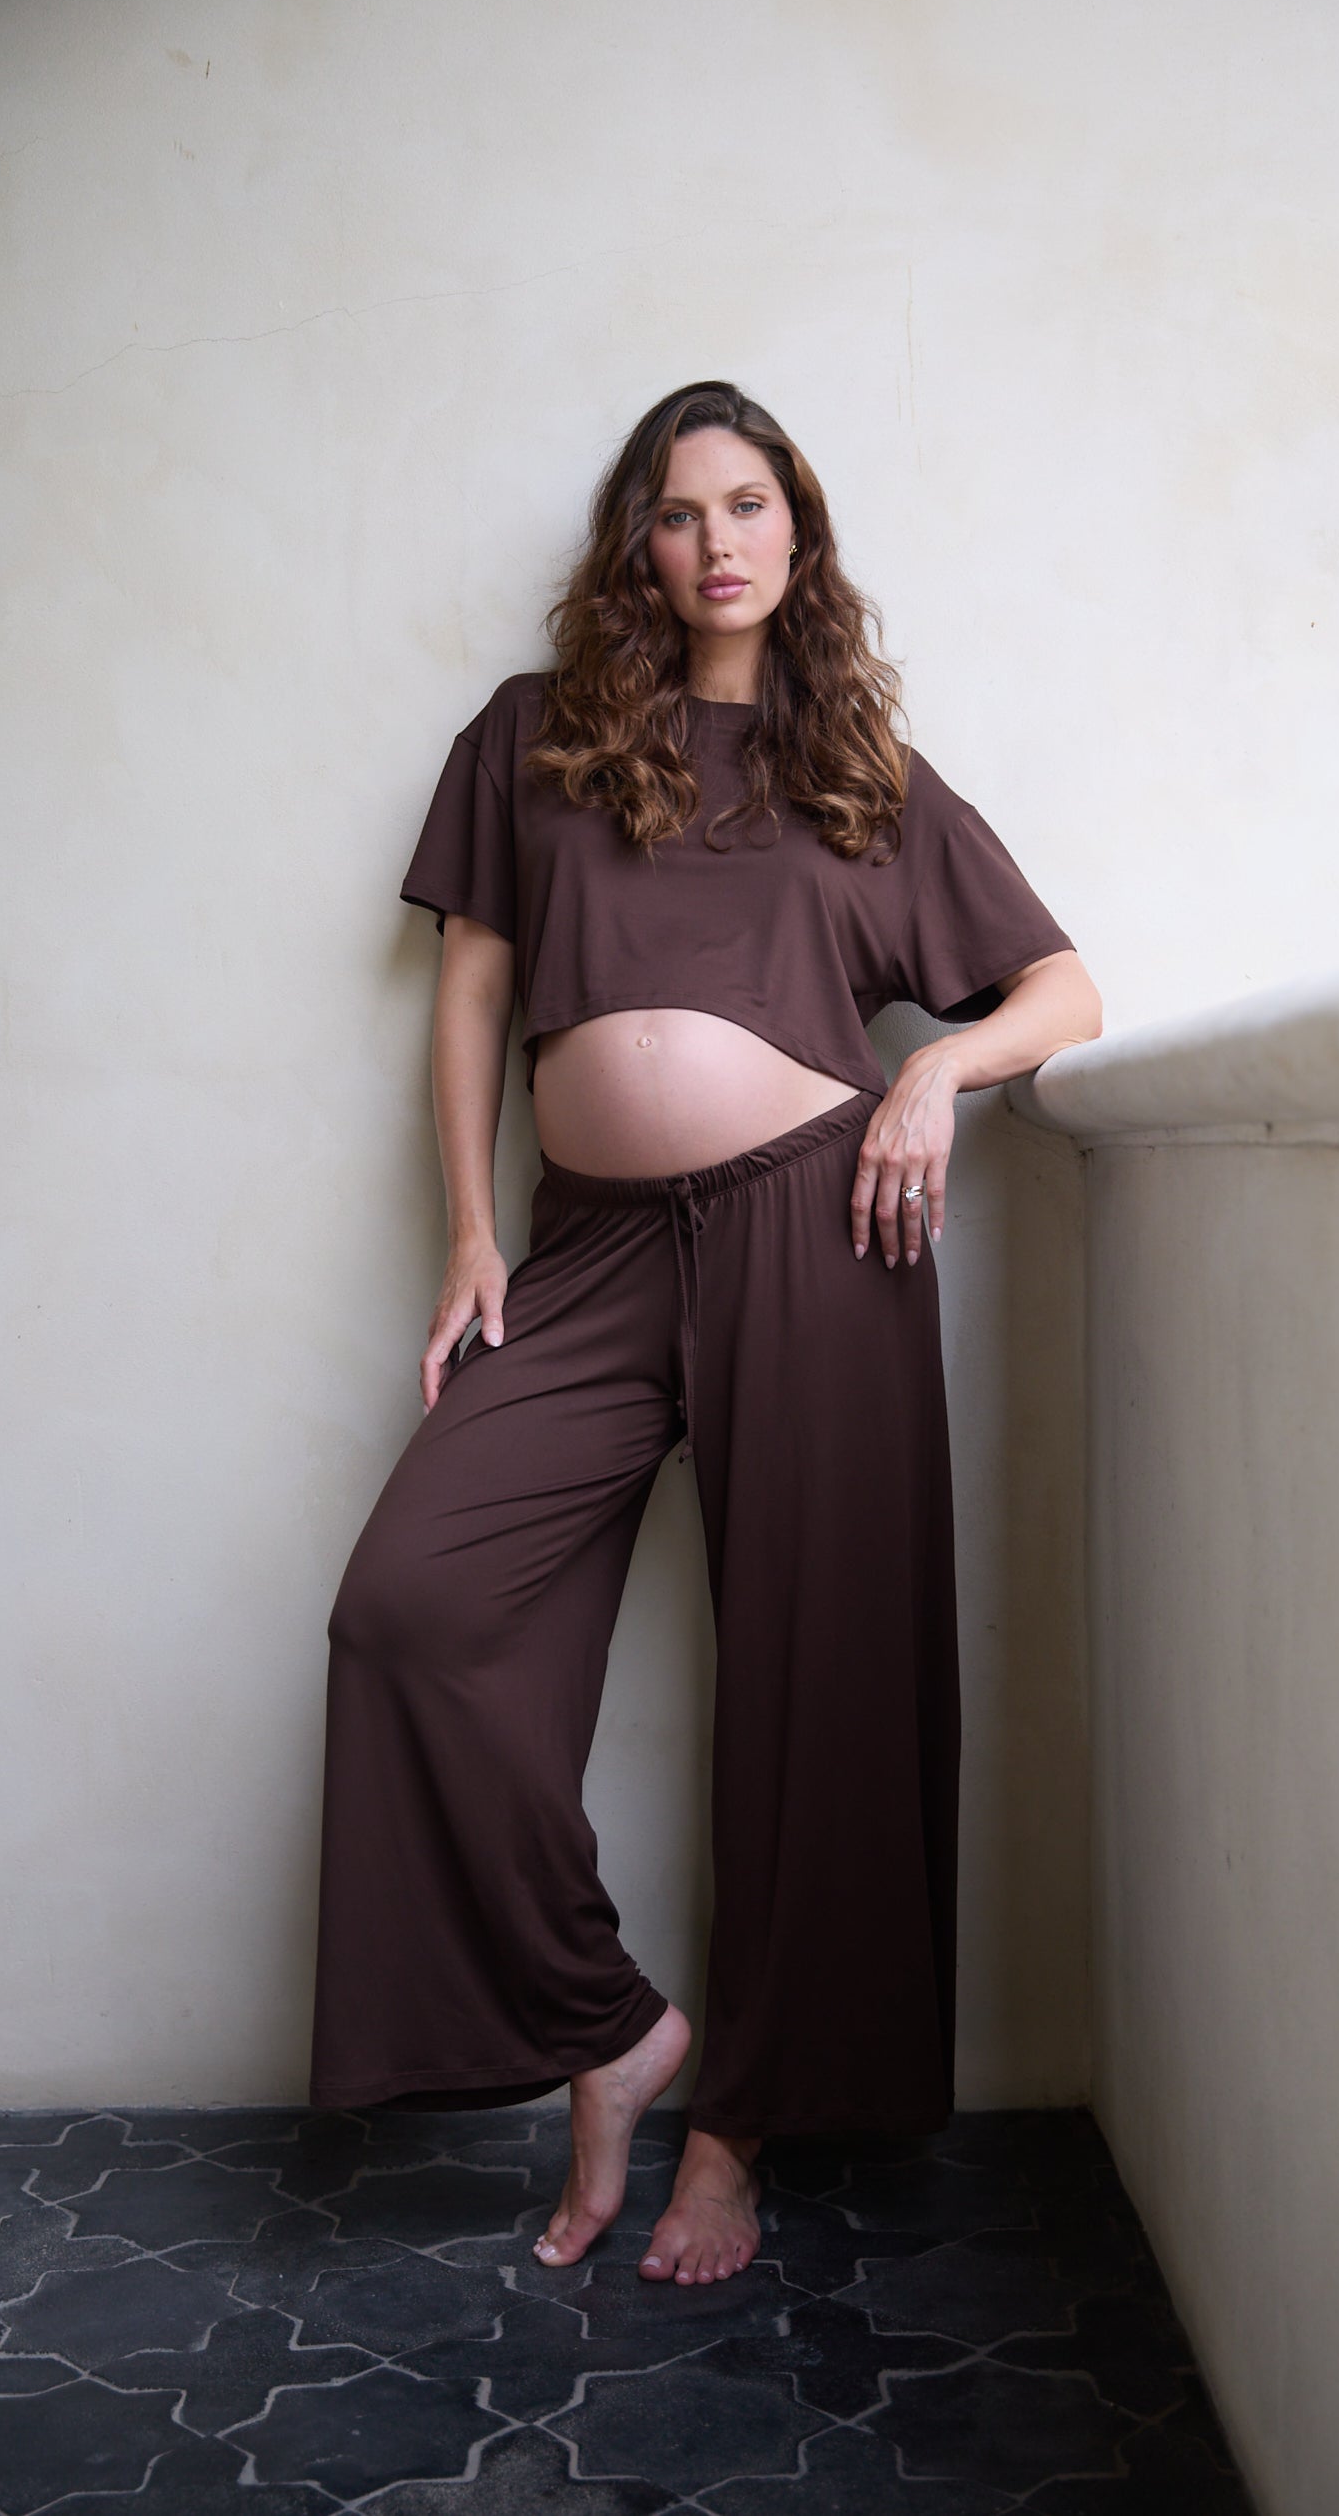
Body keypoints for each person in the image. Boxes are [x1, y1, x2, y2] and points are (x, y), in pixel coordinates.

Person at [309, 379, 1102, 2291]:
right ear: (636, 549)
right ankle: (613, 2033)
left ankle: (733, 2134)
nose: (717, 540)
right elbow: (475, 995)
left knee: (818, 1697)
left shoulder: (864, 779)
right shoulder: (537, 740)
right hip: (581, 1255)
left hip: (818, 1228)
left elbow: (1064, 987)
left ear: (799, 539)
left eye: (751, 506)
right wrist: (473, 1235)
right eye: (679, 513)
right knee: (413, 1608)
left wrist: (937, 1085)